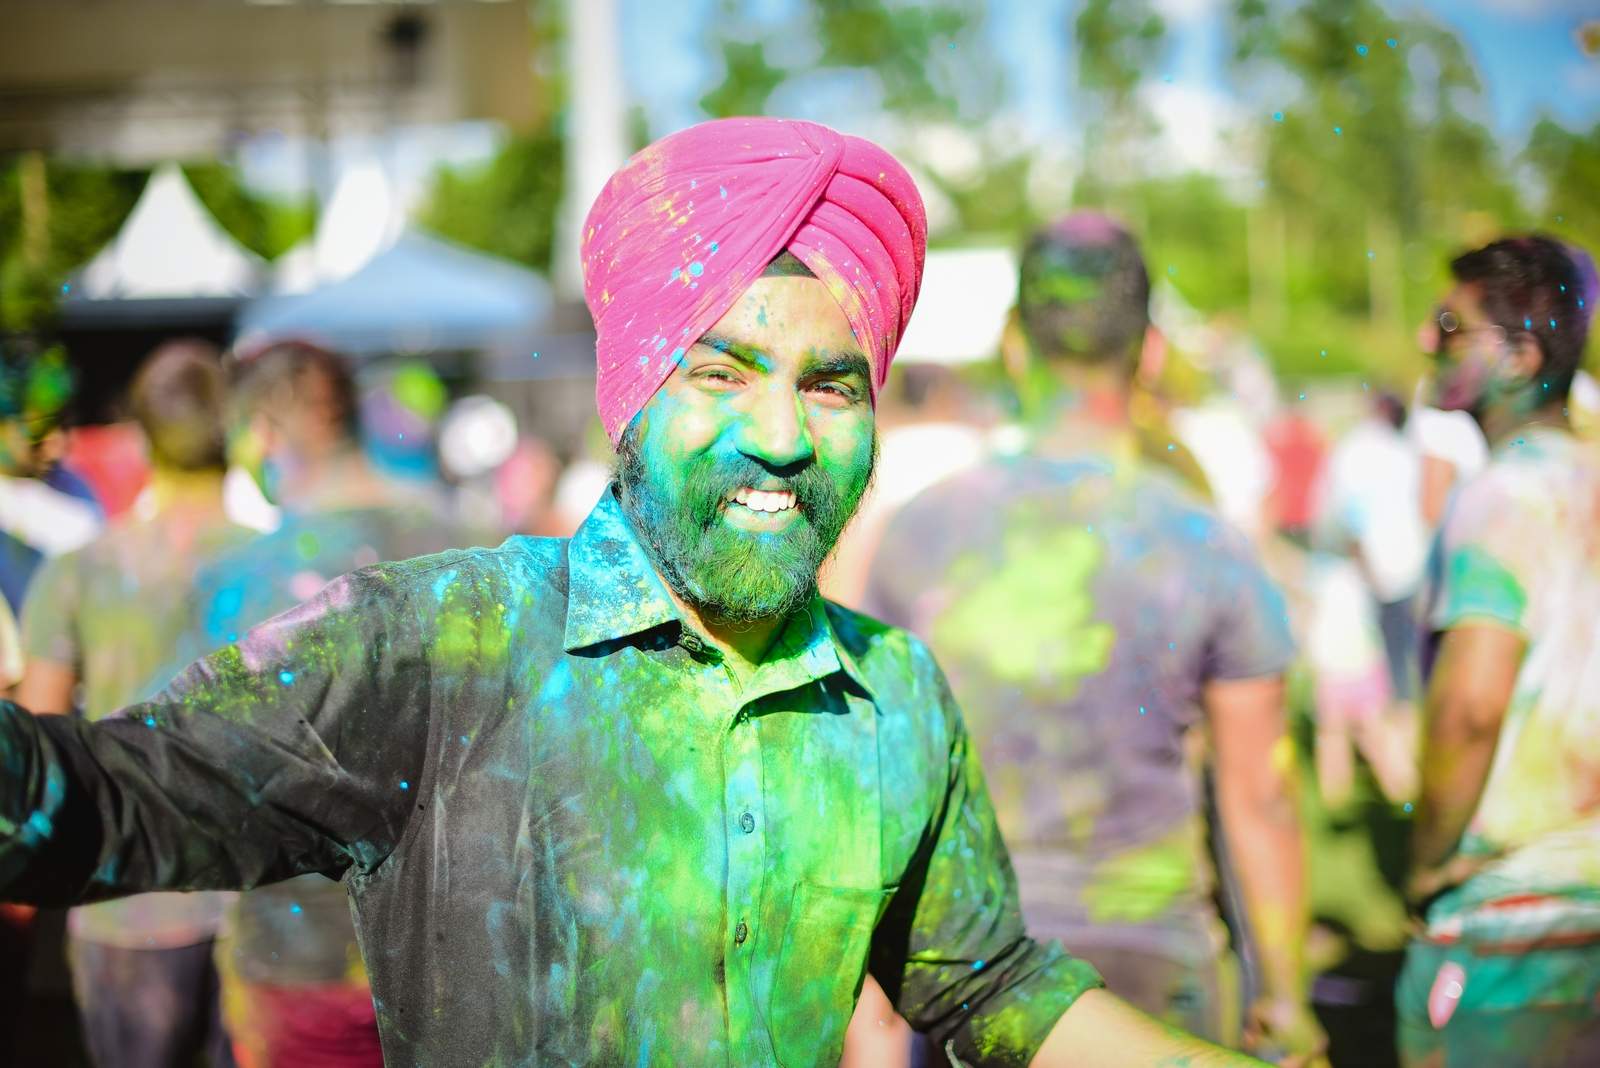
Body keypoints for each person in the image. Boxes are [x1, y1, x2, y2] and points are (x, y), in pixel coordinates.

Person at [2, 118, 1268, 1067]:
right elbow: (113, 800)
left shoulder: (892, 697)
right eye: (721, 372)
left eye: (830, 384)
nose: (781, 433)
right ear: (631, 396)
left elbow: (990, 987)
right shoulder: (448, 645)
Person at [865, 213, 1325, 1063]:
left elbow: (877, 787)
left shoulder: (919, 535)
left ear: (1012, 344)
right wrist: (1288, 996)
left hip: (969, 969)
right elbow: (1262, 795)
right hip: (1156, 970)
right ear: (1150, 352)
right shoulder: (1205, 544)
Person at [200, 339, 484, 1068]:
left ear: (263, 432)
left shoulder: (241, 581)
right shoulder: (468, 549)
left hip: (298, 959)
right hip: (461, 953)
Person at [15, 340, 248, 1068]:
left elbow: (38, 744)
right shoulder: (284, 565)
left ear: (142, 437)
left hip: (126, 900)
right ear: (236, 429)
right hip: (261, 900)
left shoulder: (79, 573)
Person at [1400, 236, 1600, 1067]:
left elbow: (1472, 707)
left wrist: (1425, 862)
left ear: (1518, 355)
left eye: (1450, 325)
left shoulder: (1500, 495)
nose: (1424, 339)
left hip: (1511, 918)